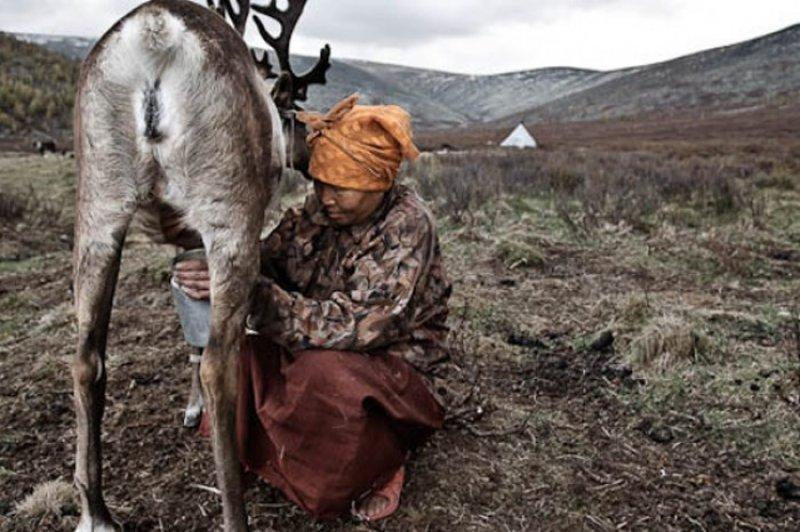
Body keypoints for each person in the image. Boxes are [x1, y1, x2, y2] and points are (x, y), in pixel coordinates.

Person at [173, 94, 452, 521]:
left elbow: (358, 326)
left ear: (378, 182)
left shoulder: (407, 226)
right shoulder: (320, 211)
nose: (325, 197)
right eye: (320, 183)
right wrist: (225, 266)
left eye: (340, 188)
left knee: (322, 379)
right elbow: (271, 256)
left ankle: (381, 461)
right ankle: (280, 456)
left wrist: (253, 294)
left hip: (396, 368)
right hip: (316, 344)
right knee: (242, 357)